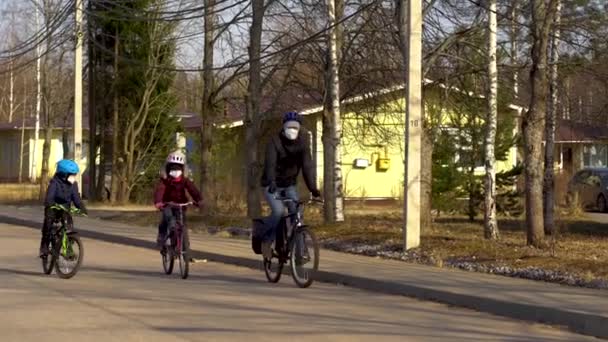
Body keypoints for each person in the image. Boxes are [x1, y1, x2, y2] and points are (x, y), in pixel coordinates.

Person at [260, 111, 321, 259]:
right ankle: (267, 241)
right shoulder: (274, 141)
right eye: (289, 127)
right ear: (284, 127)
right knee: (279, 212)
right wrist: (271, 181)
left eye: (295, 127)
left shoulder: (303, 144)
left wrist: (313, 188)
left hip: (289, 184)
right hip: (271, 184)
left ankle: (300, 252)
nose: (292, 130)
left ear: (299, 129)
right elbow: (270, 164)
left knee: (297, 213)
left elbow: (307, 167)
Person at [153, 151, 202, 247]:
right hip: (167, 203)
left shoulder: (185, 181)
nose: (176, 171)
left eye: (178, 168)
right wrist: (158, 202)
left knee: (182, 221)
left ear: (183, 169)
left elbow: (193, 189)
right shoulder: (165, 181)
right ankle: (162, 235)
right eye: (173, 168)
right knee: (166, 218)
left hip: (181, 204)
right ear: (168, 169)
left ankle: (184, 243)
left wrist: (199, 199)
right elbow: (160, 190)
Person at [40, 159, 87, 257]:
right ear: (63, 174)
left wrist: (82, 208)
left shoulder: (73, 184)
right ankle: (44, 248)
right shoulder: (54, 183)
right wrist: (50, 203)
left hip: (65, 208)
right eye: (71, 174)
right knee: (48, 225)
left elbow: (76, 198)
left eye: (74, 174)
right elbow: (49, 197)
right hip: (53, 207)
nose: (73, 177)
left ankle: (68, 247)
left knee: (68, 226)